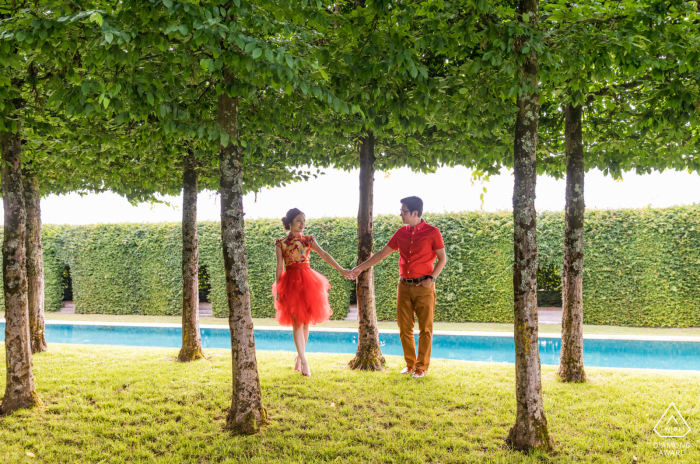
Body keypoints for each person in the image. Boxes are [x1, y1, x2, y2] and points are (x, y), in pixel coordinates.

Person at [347, 196, 447, 378]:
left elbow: (442, 259)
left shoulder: (433, 232)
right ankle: (410, 364)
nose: (401, 214)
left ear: (415, 213)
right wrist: (360, 268)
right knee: (404, 327)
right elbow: (382, 253)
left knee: (425, 328)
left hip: (424, 286)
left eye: (404, 211)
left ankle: (421, 367)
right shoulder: (401, 232)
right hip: (404, 286)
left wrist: (431, 279)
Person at [273, 208, 350, 377]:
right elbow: (279, 266)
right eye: (299, 220)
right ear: (290, 222)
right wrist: (278, 287)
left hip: (308, 281)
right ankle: (304, 360)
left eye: (304, 220)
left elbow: (323, 254)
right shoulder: (281, 242)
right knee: (297, 323)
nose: (302, 224)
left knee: (306, 323)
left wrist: (340, 269)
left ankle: (299, 357)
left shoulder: (308, 240)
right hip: (290, 283)